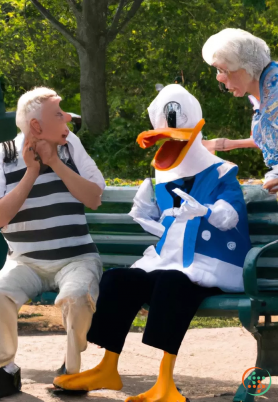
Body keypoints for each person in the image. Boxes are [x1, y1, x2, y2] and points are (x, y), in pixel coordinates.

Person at [53, 84, 251, 402]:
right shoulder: (165, 179)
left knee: (171, 283)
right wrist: (148, 218)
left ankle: (166, 382)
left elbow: (230, 215)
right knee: (119, 279)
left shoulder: (222, 173)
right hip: (170, 260)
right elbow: (171, 230)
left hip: (212, 265)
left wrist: (208, 211)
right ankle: (108, 367)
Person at [0, 87, 105, 400]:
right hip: (25, 260)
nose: (67, 119)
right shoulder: (3, 154)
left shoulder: (70, 145)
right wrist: (32, 171)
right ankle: (5, 372)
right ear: (36, 126)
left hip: (77, 258)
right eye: (59, 114)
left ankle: (71, 374)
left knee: (76, 297)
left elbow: (94, 197)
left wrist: (55, 163)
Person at [201, 28, 278, 194]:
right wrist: (225, 144)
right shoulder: (265, 92)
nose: (219, 78)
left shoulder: (275, 93)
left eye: (222, 70)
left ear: (245, 68)